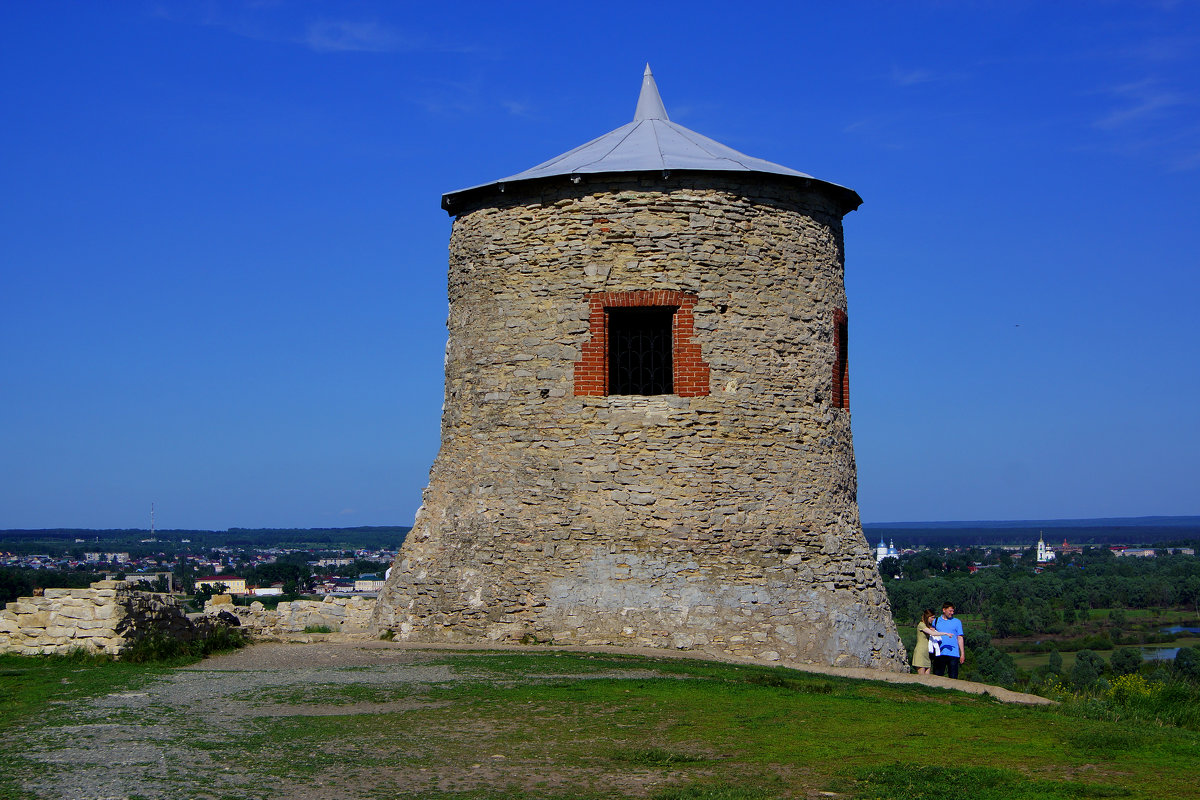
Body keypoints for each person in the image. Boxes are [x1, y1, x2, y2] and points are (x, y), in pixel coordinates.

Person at [931, 602, 965, 679]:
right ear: (944, 610)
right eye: (950, 611)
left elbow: (960, 637)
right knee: (938, 676)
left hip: (953, 653)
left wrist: (962, 653)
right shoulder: (936, 621)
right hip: (939, 652)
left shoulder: (957, 622)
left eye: (953, 611)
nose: (952, 613)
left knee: (953, 677)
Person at [913, 608, 946, 675]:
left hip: (927, 653)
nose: (933, 619)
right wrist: (945, 633)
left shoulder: (927, 626)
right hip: (921, 652)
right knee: (921, 676)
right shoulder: (921, 625)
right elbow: (932, 633)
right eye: (932, 617)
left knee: (927, 676)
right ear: (927, 617)